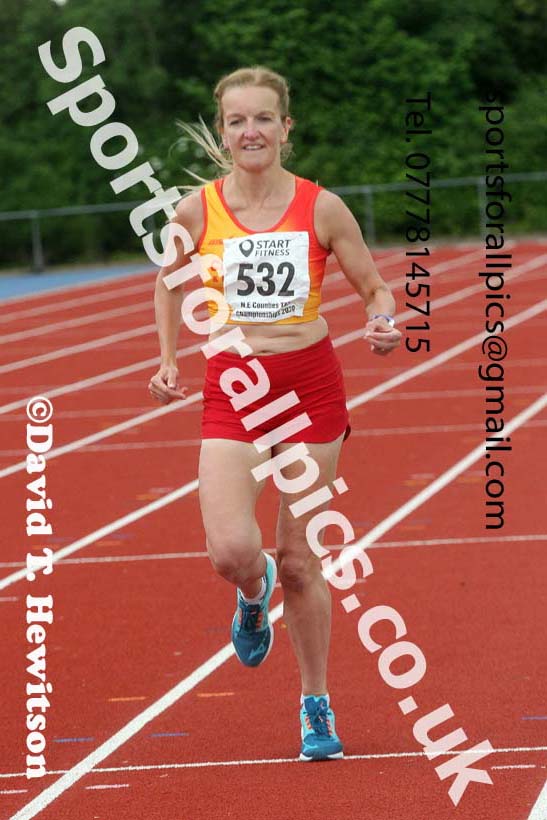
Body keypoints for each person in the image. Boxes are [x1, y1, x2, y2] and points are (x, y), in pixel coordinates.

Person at [149, 66, 402, 761]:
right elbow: (168, 284)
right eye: (237, 121)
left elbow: (374, 287)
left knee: (300, 561)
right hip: (235, 386)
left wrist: (383, 323)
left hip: (309, 387)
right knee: (231, 551)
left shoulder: (321, 208)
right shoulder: (197, 211)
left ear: (285, 128)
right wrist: (169, 357)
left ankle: (314, 704)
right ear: (222, 132)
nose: (250, 131)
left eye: (263, 118)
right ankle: (250, 592)